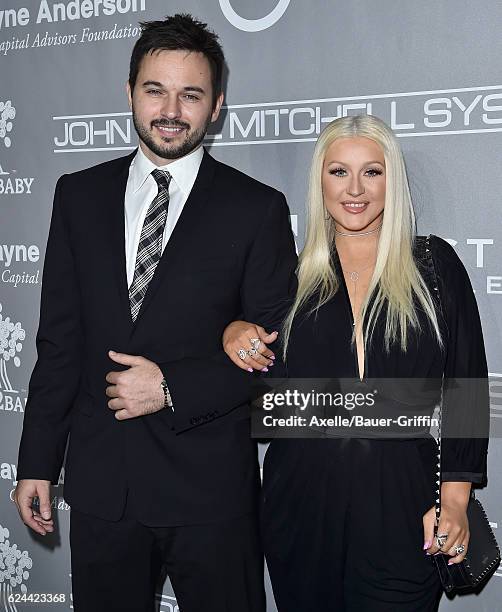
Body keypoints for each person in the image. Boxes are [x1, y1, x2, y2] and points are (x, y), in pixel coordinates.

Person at [14, 14, 297, 612]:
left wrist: (170, 387)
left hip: (209, 494)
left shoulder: (256, 209)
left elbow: (277, 352)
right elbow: (59, 343)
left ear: (216, 106)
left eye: (190, 94)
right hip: (103, 489)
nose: (171, 109)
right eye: (155, 90)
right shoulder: (78, 195)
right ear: (130, 93)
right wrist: (36, 461)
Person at [223, 114, 489, 610]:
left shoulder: (433, 266)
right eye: (339, 171)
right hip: (300, 504)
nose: (356, 190)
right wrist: (233, 332)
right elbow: (261, 391)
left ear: (393, 180)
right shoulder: (288, 275)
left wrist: (453, 497)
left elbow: (467, 390)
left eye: (373, 171)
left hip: (403, 504)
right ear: (319, 181)